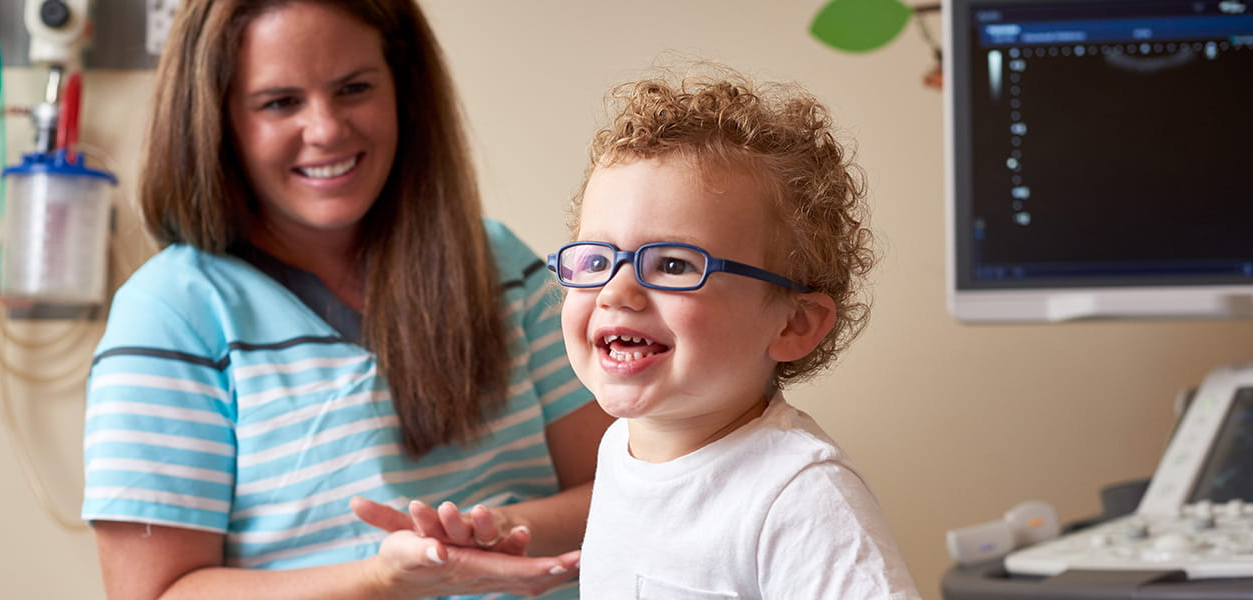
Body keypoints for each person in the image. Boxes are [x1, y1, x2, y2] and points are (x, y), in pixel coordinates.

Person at [81, 1, 611, 598]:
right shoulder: (168, 315)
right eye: (280, 102)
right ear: (216, 120)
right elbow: (157, 592)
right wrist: (383, 579)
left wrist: (495, 533)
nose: (327, 129)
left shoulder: (500, 265)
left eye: (354, 88)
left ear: (404, 91)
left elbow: (627, 482)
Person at [552, 67, 921, 598]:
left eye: (675, 265)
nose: (616, 290)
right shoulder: (619, 451)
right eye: (595, 258)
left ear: (793, 324)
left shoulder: (800, 495)